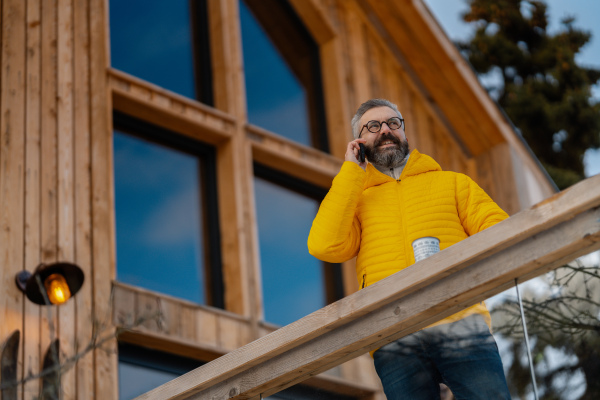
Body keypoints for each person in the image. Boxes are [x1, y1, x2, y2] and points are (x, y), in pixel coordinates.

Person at [307, 99, 512, 399]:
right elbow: (324, 245)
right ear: (359, 142)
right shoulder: (357, 201)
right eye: (373, 126)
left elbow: (502, 234)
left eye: (394, 123)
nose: (386, 130)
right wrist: (352, 172)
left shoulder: (453, 183)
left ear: (404, 131)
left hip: (460, 321)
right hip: (393, 334)